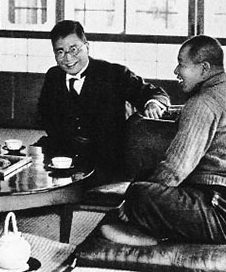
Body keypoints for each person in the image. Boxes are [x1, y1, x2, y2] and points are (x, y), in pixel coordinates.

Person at [119, 35, 226, 244]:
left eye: (182, 64)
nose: (176, 71)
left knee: (138, 192)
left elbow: (175, 170)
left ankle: (149, 232)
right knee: (147, 180)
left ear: (204, 68)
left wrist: (134, 204)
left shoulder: (202, 103)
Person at [35, 20, 170, 184]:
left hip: (107, 161)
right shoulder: (53, 76)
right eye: (60, 52)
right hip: (63, 157)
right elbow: (44, 115)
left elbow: (155, 93)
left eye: (74, 49)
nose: (68, 58)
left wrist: (153, 103)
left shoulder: (113, 74)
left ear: (87, 46)